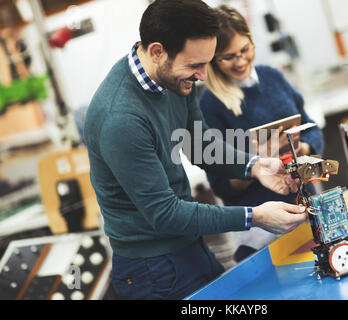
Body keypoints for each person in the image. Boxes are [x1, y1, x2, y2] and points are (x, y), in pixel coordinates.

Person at [83, 0, 306, 300]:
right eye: (194, 65)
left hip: (191, 247)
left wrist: (255, 166)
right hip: (153, 269)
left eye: (206, 63)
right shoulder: (120, 119)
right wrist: (255, 216)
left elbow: (201, 146)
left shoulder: (175, 80)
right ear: (157, 52)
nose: (203, 75)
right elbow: (164, 214)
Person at [199, 5, 324, 261]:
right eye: (228, 56)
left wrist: (303, 149)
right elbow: (222, 185)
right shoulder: (210, 105)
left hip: (306, 213)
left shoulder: (272, 78)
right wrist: (258, 160)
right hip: (260, 236)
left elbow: (312, 129)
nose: (241, 60)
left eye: (245, 49)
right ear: (213, 59)